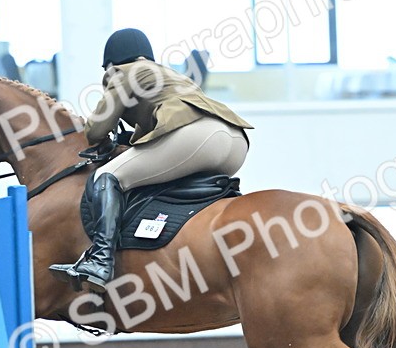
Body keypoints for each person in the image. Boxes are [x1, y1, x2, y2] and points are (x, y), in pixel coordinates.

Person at [49, 28, 253, 293]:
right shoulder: (167, 75)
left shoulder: (123, 72)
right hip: (234, 141)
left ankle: (100, 260)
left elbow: (95, 131)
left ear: (111, 65)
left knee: (106, 177)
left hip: (196, 135)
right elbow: (153, 133)